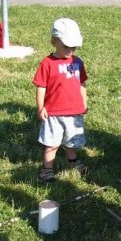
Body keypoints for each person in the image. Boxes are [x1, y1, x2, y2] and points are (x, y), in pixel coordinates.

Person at [33, 18, 88, 183]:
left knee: (71, 141)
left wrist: (84, 101)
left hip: (74, 112)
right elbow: (41, 86)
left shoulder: (77, 62)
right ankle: (47, 170)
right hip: (54, 113)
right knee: (52, 143)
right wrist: (41, 107)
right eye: (66, 46)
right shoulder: (47, 63)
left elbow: (82, 83)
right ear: (54, 42)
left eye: (74, 46)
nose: (71, 50)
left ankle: (73, 162)